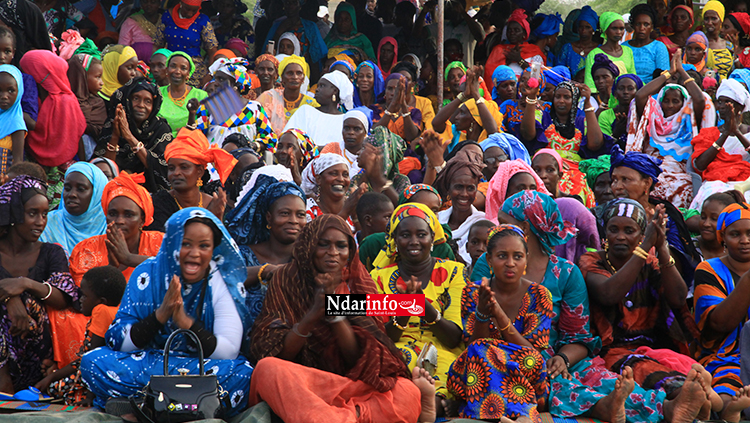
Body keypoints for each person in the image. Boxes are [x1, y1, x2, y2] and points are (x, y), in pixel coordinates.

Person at [248, 214, 432, 423]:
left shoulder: (358, 283)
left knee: (406, 391)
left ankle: (344, 417)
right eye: (323, 245)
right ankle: (352, 416)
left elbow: (366, 356)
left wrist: (335, 314)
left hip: (356, 384)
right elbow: (276, 351)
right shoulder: (287, 280)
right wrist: (314, 313)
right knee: (267, 369)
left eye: (341, 246)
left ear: (349, 252)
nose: (333, 253)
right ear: (308, 246)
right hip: (309, 383)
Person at [80, 208, 255, 416]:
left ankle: (146, 406)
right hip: (147, 364)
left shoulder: (220, 280)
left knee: (243, 374)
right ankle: (188, 409)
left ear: (213, 250)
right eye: (186, 244)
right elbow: (120, 343)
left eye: (204, 246)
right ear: (172, 243)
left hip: (200, 368)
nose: (194, 253)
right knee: (93, 362)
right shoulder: (146, 273)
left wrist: (187, 324)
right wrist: (160, 316)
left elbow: (228, 352)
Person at [579, 198, 698, 396]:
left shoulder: (649, 263)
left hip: (651, 348)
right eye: (613, 229)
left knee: (694, 376)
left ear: (641, 234)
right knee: (673, 386)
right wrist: (644, 247)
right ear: (605, 233)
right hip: (609, 352)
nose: (620, 237)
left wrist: (661, 247)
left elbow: (678, 298)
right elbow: (609, 294)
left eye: (629, 231)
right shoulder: (591, 261)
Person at [447, 224, 553, 420]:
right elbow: (474, 345)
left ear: (526, 259)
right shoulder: (473, 292)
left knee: (533, 360)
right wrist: (482, 312)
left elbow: (532, 352)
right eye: (502, 256)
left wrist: (499, 314)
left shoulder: (539, 295)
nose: (510, 263)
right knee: (479, 351)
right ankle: (518, 415)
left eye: (518, 256)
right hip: (481, 371)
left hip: (523, 372)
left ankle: (494, 414)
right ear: (489, 259)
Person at [370, 203, 468, 415]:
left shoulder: (453, 273)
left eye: (421, 234)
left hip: (443, 349)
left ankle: (426, 402)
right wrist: (405, 310)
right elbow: (381, 336)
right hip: (398, 348)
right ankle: (428, 403)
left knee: (445, 365)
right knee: (400, 360)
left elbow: (453, 337)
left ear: (432, 238)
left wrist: (423, 306)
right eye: (405, 235)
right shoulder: (378, 278)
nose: (414, 241)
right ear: (395, 240)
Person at [0, 175, 80, 393]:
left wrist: (25, 284)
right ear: (15, 213)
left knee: (28, 302)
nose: (40, 222)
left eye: (44, 214)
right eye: (32, 214)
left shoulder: (50, 252)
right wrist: (10, 298)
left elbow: (64, 298)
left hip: (35, 347)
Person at [629, 52, 714, 208]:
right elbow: (640, 96)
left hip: (679, 174)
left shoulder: (688, 121)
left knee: (682, 188)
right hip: (651, 169)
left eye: (675, 101)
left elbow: (700, 99)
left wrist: (681, 71)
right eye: (666, 101)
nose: (669, 105)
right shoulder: (654, 118)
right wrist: (668, 73)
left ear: (683, 103)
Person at [36, 265, 125, 406]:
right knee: (52, 384)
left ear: (101, 301)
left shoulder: (101, 312)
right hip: (109, 376)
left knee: (55, 389)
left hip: (98, 380)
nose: (80, 299)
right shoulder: (116, 310)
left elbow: (94, 359)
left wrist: (90, 398)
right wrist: (53, 376)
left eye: (84, 295)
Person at [225, 173, 306, 325]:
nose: (294, 221)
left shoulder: (312, 257)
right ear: (269, 217)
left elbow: (360, 305)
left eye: (300, 215)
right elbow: (222, 280)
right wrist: (265, 271)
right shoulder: (244, 255)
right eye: (285, 213)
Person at [695, 202, 750, 422]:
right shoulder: (708, 269)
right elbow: (718, 324)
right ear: (722, 238)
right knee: (729, 385)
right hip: (725, 356)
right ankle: (729, 408)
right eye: (735, 234)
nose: (745, 240)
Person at [68, 172, 164, 286]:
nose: (119, 221)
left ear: (142, 220)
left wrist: (129, 258)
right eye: (113, 214)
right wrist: (111, 269)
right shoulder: (87, 249)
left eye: (128, 215)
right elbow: (84, 296)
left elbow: (175, 270)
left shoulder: (160, 242)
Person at [530, 81, 607, 207]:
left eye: (567, 97)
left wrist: (587, 102)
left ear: (575, 100)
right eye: (557, 96)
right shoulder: (544, 117)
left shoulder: (582, 121)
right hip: (546, 165)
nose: (561, 101)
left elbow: (595, 143)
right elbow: (528, 134)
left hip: (575, 170)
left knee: (579, 183)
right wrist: (532, 98)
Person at [147, 129, 236, 231]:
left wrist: (217, 218)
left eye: (184, 167)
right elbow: (166, 243)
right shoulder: (158, 203)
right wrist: (207, 219)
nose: (176, 173)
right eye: (171, 168)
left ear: (200, 171)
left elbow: (226, 245)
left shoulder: (215, 204)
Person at [97, 78, 172, 192]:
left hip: (150, 192)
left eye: (148, 101)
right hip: (115, 189)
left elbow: (162, 169)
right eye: (136, 99)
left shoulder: (160, 128)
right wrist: (116, 136)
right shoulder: (113, 123)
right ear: (127, 100)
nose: (141, 105)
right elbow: (104, 169)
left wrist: (129, 136)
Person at [19, 49, 86, 168]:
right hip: (32, 164)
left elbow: (77, 136)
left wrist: (84, 166)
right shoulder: (30, 100)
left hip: (64, 168)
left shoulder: (67, 102)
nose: (23, 77)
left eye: (27, 72)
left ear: (40, 75)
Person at [691, 79, 750, 210]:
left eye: (727, 102)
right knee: (714, 199)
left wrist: (736, 132)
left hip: (746, 181)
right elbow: (700, 165)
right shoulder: (709, 133)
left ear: (739, 107)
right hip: (715, 181)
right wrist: (725, 134)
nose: (721, 106)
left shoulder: (748, 132)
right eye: (720, 101)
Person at [196, 60, 276, 151]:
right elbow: (196, 137)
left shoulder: (254, 109)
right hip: (212, 161)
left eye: (221, 79)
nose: (216, 83)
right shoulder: (207, 108)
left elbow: (269, 138)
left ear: (235, 85)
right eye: (215, 79)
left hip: (246, 160)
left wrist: (253, 146)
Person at [39, 162, 108, 256]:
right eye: (67, 188)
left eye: (81, 189)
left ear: (97, 193)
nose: (72, 194)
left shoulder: (109, 229)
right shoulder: (47, 224)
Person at [433, 145, 486, 264]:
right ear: (448, 190)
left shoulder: (482, 223)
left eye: (470, 188)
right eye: (458, 187)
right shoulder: (437, 220)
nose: (464, 194)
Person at [153, 0, 218, 86]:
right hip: (170, 69)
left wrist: (210, 74)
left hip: (194, 72)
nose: (190, 13)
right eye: (187, 9)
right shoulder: (167, 16)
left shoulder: (203, 20)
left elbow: (212, 50)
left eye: (194, 11)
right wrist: (157, 66)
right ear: (181, 3)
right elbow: (157, 44)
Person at [285, 70, 353, 147]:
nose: (317, 90)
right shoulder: (305, 111)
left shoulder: (345, 119)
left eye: (322, 86)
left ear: (334, 91)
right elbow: (289, 137)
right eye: (318, 86)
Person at [257, 55, 318, 136]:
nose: (295, 77)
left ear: (303, 78)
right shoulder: (268, 97)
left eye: (299, 73)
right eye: (290, 73)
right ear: (282, 78)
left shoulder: (311, 104)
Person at [262, 0, 328, 70]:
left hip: (305, 69)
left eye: (294, 3)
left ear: (300, 6)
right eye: (287, 3)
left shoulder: (310, 26)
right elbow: (269, 49)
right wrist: (279, 31)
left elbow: (316, 54)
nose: (290, 6)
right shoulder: (277, 25)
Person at [484, 8, 545, 81]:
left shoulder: (534, 51)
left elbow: (536, 77)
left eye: (516, 30)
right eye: (509, 30)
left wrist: (519, 60)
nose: (512, 33)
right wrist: (507, 62)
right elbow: (490, 74)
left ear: (524, 33)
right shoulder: (499, 50)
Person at [300, 153, 360, 226]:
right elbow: (320, 235)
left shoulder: (355, 207)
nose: (341, 179)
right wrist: (345, 211)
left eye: (345, 175)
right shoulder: (307, 210)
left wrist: (355, 216)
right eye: (334, 174)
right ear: (318, 179)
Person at [157, 52, 208, 137]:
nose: (177, 71)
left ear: (188, 73)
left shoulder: (201, 96)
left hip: (190, 143)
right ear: (167, 70)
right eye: (173, 66)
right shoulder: (157, 93)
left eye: (183, 68)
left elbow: (204, 127)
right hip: (159, 143)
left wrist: (186, 132)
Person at [583, 13, 636, 95]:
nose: (618, 32)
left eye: (621, 29)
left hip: (625, 97)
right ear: (606, 30)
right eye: (614, 28)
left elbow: (633, 77)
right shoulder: (594, 54)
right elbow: (590, 84)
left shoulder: (628, 51)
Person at [622, 4, 670, 84]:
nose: (641, 28)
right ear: (633, 25)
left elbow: (663, 77)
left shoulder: (658, 47)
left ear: (652, 26)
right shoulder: (624, 47)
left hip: (652, 92)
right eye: (638, 24)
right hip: (626, 91)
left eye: (646, 24)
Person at [320, 107, 371, 175]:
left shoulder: (370, 154)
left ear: (365, 133)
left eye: (356, 129)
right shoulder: (332, 149)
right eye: (346, 128)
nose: (351, 133)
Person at [696, 191, 744, 260]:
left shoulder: (741, 251)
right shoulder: (689, 248)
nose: (706, 224)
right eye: (703, 217)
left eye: (714, 219)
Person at [599, 74, 643, 146]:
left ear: (638, 93)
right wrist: (616, 133)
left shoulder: (643, 114)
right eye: (621, 88)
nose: (625, 92)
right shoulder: (605, 115)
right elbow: (603, 147)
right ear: (615, 93)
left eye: (630, 88)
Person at [557, 6, 600, 78]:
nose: (583, 30)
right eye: (581, 27)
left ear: (593, 30)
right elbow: (559, 72)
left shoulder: (599, 50)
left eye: (587, 27)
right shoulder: (567, 48)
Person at [0, 64, 26, 176]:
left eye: (11, 91)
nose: (4, 96)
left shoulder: (16, 123)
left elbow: (18, 162)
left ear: (19, 91)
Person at [702, 1, 733, 79]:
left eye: (714, 18)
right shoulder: (699, 43)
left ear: (721, 20)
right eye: (706, 19)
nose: (709, 23)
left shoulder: (728, 45)